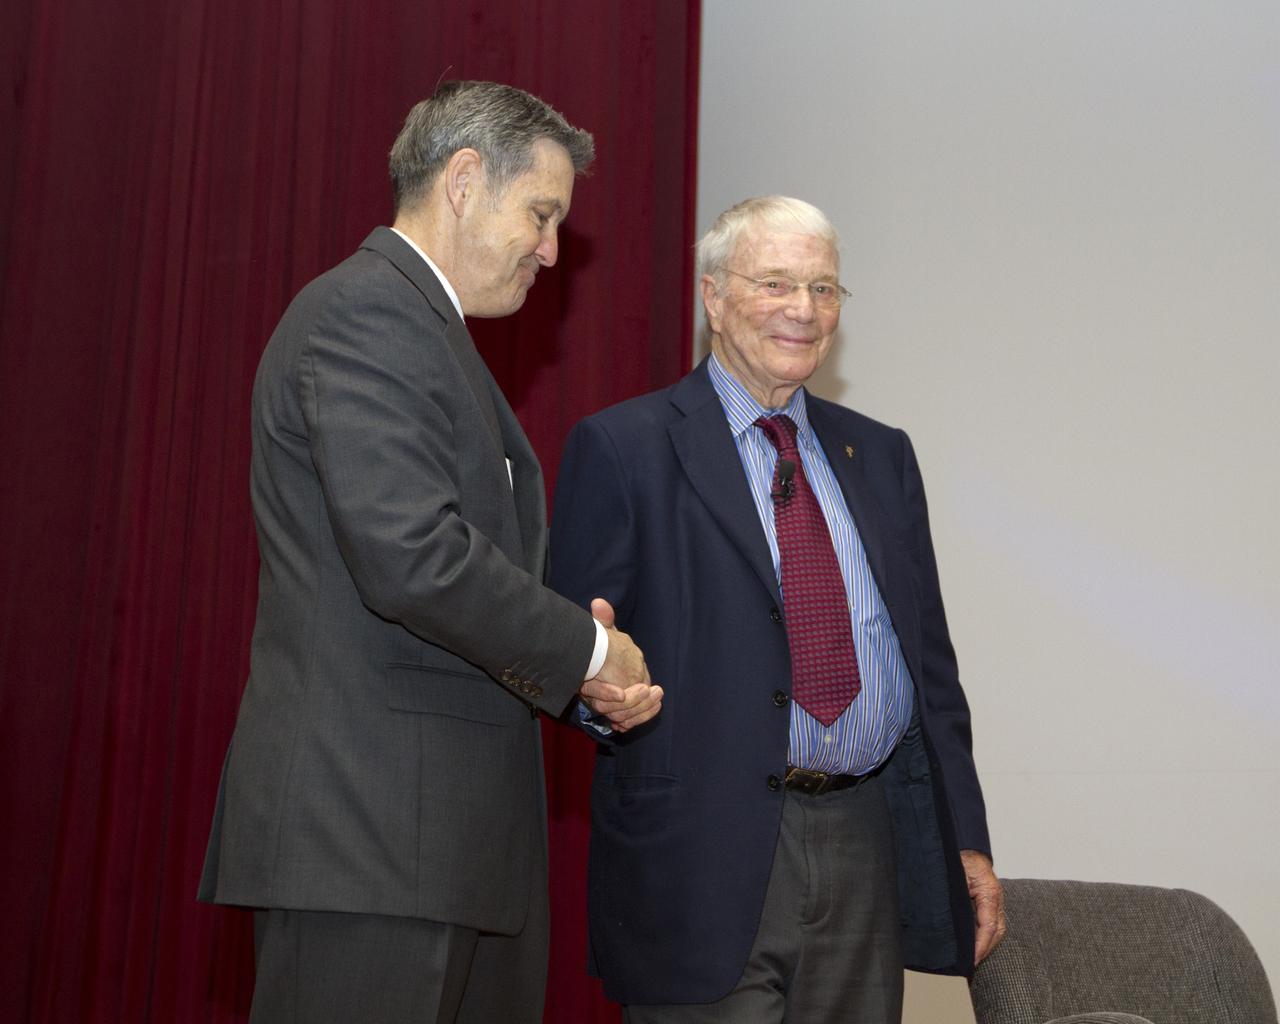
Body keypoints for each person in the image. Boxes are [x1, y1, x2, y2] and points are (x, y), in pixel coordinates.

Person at [198, 80, 661, 1024]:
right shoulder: (367, 313)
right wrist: (585, 648)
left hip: (433, 855)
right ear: (462, 181)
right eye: (542, 213)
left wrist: (578, 681)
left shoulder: (426, 331)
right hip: (367, 846)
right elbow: (413, 556)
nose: (551, 249)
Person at [550, 195, 1004, 1022]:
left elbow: (932, 671)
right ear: (714, 298)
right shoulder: (623, 448)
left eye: (824, 288)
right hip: (701, 852)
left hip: (866, 841)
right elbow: (570, 649)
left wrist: (965, 838)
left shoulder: (882, 454)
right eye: (776, 283)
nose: (804, 308)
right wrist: (596, 694)